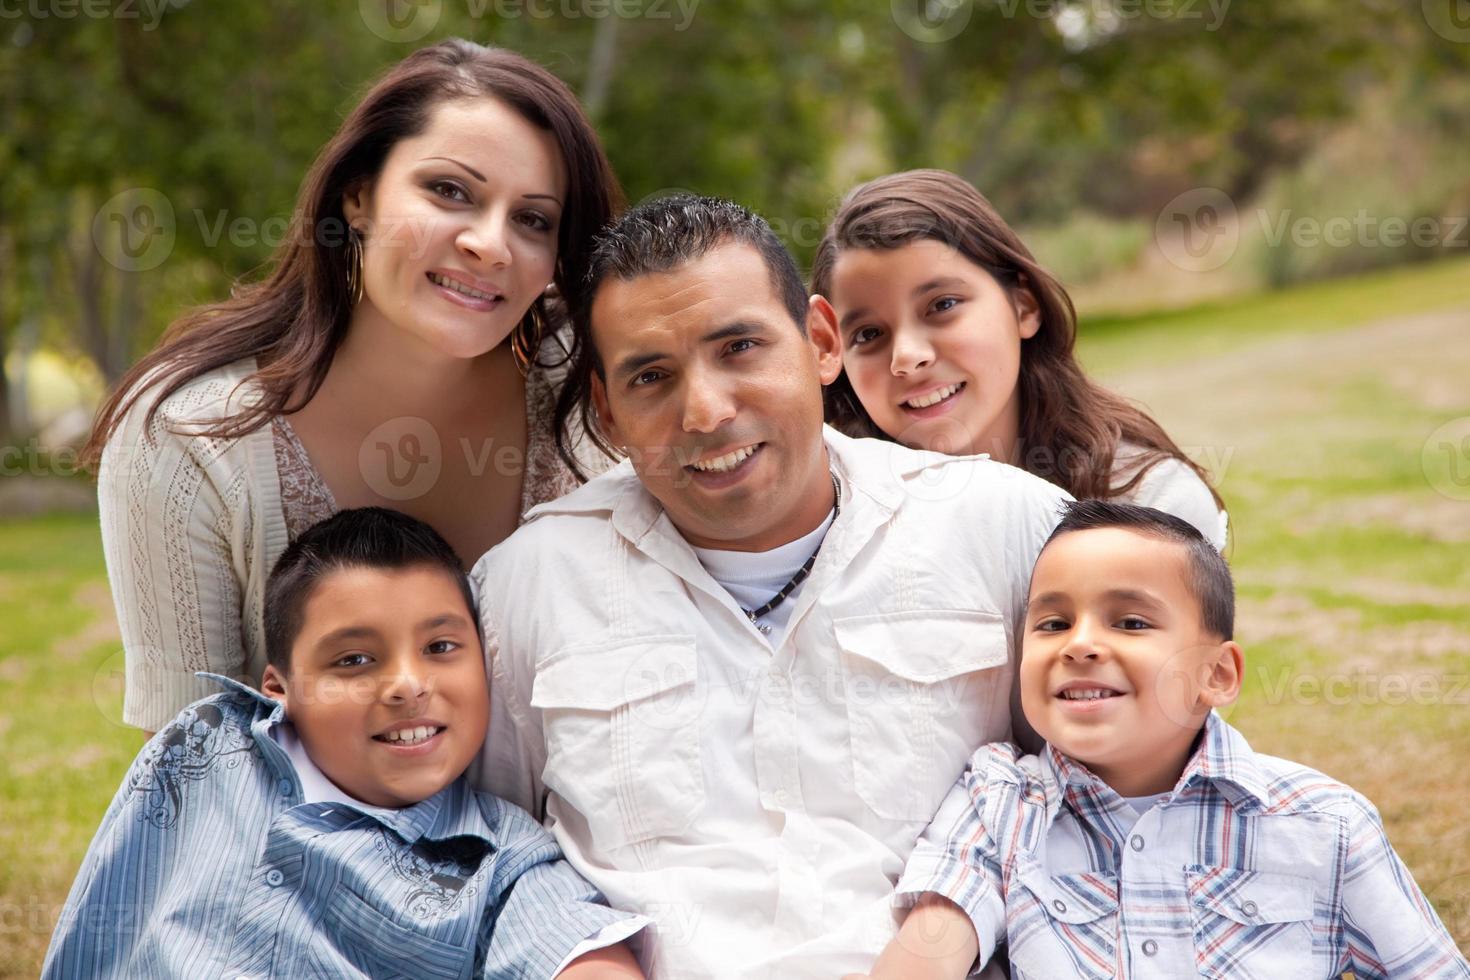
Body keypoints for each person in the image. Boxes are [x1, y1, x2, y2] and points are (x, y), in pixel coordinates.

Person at [470, 195, 1071, 977]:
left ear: (821, 342)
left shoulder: (1006, 530)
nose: (707, 410)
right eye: (650, 376)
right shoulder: (528, 586)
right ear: (607, 412)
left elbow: (1119, 796)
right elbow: (488, 847)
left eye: (740, 347)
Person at [81, 38, 622, 735]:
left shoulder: (595, 390)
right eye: (450, 191)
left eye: (533, 220)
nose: (490, 244)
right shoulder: (188, 441)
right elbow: (192, 769)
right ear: (359, 195)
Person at [854, 501, 1469, 980]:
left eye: (1131, 622)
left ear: (1216, 675)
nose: (1080, 643)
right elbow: (931, 944)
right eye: (1052, 623)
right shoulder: (1000, 804)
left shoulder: (1323, 823)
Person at [43, 507, 648, 979]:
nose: (408, 685)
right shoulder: (204, 746)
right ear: (281, 689)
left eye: (440, 648)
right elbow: (107, 906)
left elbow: (572, 946)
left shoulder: (500, 860)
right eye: (354, 660)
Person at [810, 169, 1229, 550]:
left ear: (1024, 306)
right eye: (868, 334)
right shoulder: (830, 523)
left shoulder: (1149, 503)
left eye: (942, 305)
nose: (907, 357)